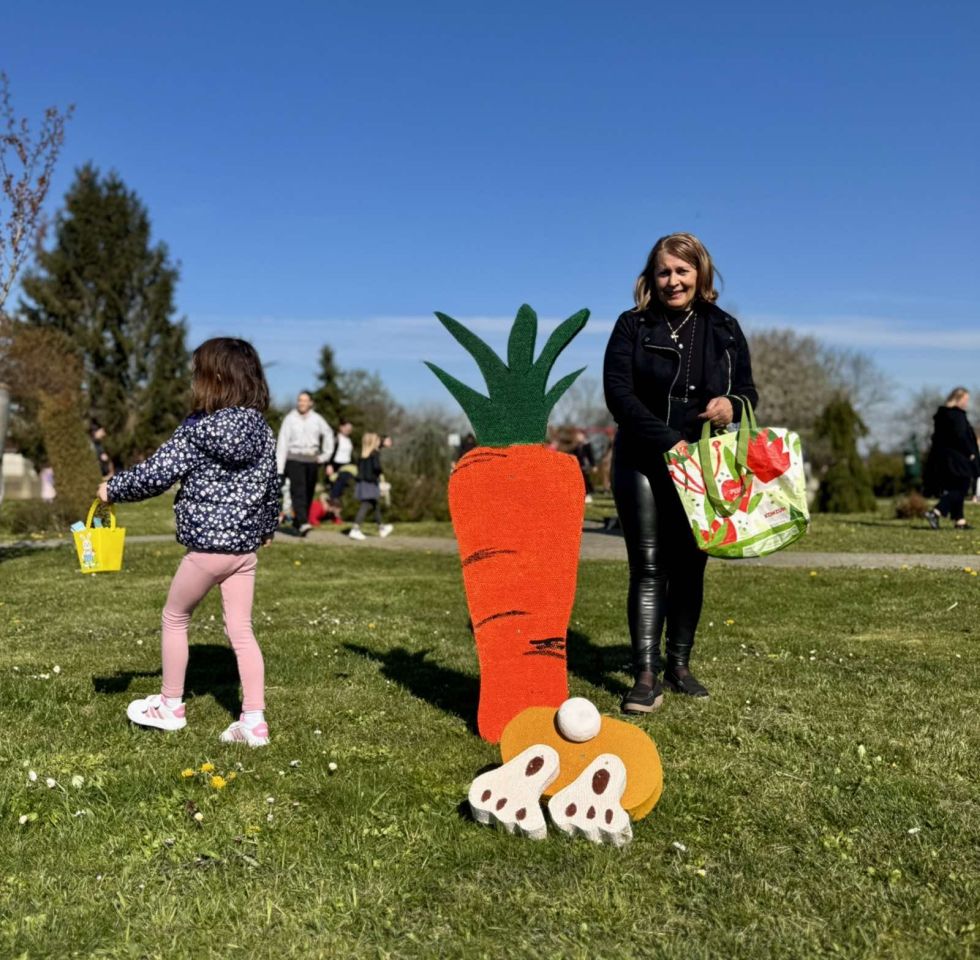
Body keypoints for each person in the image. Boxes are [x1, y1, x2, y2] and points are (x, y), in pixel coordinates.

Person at [98, 337, 279, 747]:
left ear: (212, 379)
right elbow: (272, 487)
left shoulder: (197, 430)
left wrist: (114, 489)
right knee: (242, 630)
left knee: (175, 618)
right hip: (243, 553)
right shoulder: (265, 434)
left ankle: (170, 705)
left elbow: (156, 474)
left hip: (204, 553)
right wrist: (267, 526)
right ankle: (254, 721)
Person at [603, 232, 757, 712]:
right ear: (652, 277)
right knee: (649, 567)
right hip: (642, 459)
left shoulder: (725, 328)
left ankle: (679, 664)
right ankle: (646, 675)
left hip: (701, 465)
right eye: (664, 272)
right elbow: (619, 397)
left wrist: (731, 405)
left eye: (682, 271)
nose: (673, 281)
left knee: (690, 566)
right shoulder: (632, 326)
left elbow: (748, 391)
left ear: (700, 274)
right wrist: (669, 441)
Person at [276, 391, 334, 536]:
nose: (301, 403)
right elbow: (282, 443)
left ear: (310, 403)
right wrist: (280, 469)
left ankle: (298, 523)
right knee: (298, 491)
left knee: (308, 492)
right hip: (294, 459)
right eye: (299, 400)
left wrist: (325, 456)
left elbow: (329, 434)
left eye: (304, 400)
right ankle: (303, 522)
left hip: (312, 460)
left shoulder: (317, 419)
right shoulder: (290, 419)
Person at [923, 387, 979, 531]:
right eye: (965, 399)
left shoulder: (943, 415)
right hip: (958, 458)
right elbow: (961, 436)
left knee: (955, 488)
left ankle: (959, 520)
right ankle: (935, 512)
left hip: (944, 458)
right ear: (958, 398)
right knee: (962, 487)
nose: (967, 403)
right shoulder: (957, 416)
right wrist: (970, 453)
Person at [349, 432, 392, 540]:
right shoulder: (374, 454)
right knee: (366, 504)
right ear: (373, 442)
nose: (379, 442)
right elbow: (377, 468)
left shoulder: (362, 455)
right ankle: (355, 528)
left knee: (375, 504)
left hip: (362, 483)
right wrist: (381, 477)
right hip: (370, 483)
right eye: (377, 440)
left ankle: (381, 528)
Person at [325, 419, 356, 521]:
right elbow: (329, 452)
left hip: (346, 465)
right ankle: (332, 511)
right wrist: (329, 465)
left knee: (342, 490)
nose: (348, 430)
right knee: (335, 489)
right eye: (346, 428)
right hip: (335, 465)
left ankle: (338, 513)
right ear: (341, 427)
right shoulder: (336, 439)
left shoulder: (349, 440)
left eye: (350, 429)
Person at [572, 429, 597, 503]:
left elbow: (590, 456)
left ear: (583, 436)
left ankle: (588, 495)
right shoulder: (575, 446)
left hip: (585, 466)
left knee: (586, 480)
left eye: (579, 436)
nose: (577, 437)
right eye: (576, 436)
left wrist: (593, 465)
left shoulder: (587, 445)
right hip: (577, 466)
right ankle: (580, 495)